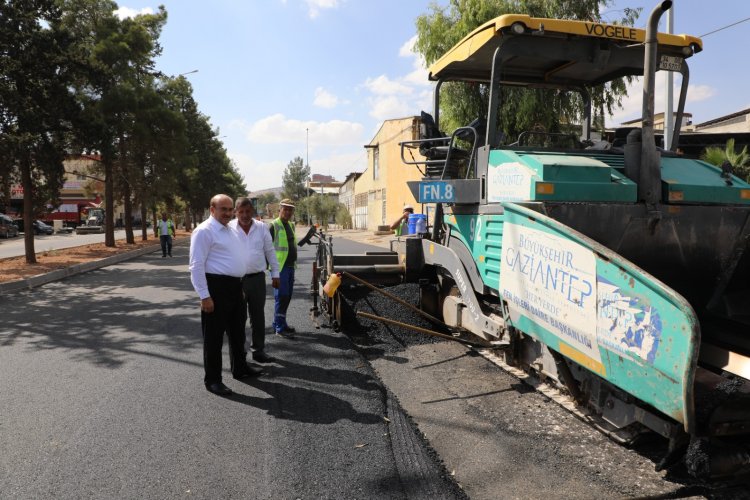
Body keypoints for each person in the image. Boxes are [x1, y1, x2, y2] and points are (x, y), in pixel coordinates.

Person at [189, 194, 263, 397]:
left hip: (234, 288)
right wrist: (205, 296)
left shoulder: (229, 229)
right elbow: (196, 267)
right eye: (224, 209)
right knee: (213, 338)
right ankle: (213, 380)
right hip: (215, 289)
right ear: (212, 210)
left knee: (238, 332)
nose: (229, 213)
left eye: (231, 209)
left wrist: (238, 284)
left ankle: (240, 368)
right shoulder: (204, 231)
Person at [229, 198, 280, 364]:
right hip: (236, 281)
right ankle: (240, 354)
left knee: (258, 317)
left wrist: (275, 274)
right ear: (235, 212)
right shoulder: (228, 229)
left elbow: (270, 251)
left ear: (253, 211)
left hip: (257, 279)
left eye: (248, 211)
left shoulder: (261, 228)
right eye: (241, 211)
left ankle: (258, 351)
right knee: (238, 318)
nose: (244, 215)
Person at [269, 199, 298, 337]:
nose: (287, 212)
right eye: (285, 209)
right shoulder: (273, 225)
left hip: (290, 266)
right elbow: (266, 249)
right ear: (279, 210)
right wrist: (272, 270)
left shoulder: (291, 225)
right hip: (280, 268)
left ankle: (280, 322)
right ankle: (279, 328)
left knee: (287, 297)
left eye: (290, 209)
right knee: (282, 297)